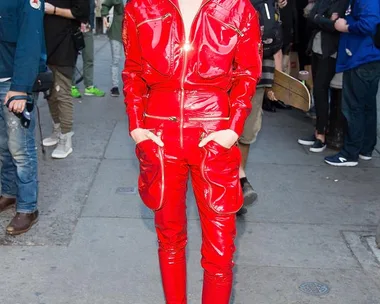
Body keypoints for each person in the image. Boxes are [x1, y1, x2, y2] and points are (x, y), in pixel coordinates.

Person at [122, 0, 262, 302]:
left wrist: (232, 129)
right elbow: (133, 70)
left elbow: (247, 73)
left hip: (215, 133)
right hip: (159, 137)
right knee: (169, 238)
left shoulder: (238, 7)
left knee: (221, 248)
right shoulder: (141, 6)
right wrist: (136, 127)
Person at [0, 0, 44, 235]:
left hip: (12, 84)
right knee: (3, 146)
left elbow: (30, 40)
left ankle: (28, 207)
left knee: (21, 149)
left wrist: (20, 87)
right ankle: (9, 193)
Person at [324, 0, 380, 166]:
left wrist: (345, 26)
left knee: (353, 107)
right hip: (368, 57)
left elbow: (369, 24)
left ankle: (350, 153)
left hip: (361, 57)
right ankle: (365, 148)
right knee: (367, 105)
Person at [297, 0, 350, 152]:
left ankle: (321, 134)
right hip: (316, 48)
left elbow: (336, 27)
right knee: (318, 90)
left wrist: (321, 19)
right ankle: (318, 131)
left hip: (330, 52)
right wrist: (325, 20)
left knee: (321, 89)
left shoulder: (343, 3)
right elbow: (311, 17)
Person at [42, 0, 90, 159]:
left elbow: (82, 13)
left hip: (65, 44)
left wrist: (53, 10)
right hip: (45, 43)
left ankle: (66, 137)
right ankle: (57, 129)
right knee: (50, 92)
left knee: (62, 92)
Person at [71, 0, 106, 99]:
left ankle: (89, 86)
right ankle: (71, 86)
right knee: (72, 59)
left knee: (89, 58)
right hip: (74, 28)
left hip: (88, 28)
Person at [101, 0, 125, 97]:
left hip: (132, 33)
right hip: (116, 32)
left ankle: (132, 85)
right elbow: (106, 5)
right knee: (116, 60)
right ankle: (115, 87)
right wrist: (104, 17)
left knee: (132, 61)